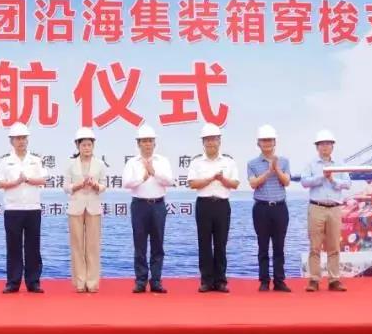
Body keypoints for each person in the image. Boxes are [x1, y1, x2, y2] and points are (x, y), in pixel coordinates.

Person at [187, 123, 240, 293]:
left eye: (214, 139)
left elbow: (235, 184)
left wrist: (222, 179)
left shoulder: (228, 162)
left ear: (219, 141)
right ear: (203, 142)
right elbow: (192, 184)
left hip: (222, 205)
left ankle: (220, 281)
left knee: (221, 244)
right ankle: (206, 281)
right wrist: (211, 178)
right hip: (204, 205)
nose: (211, 143)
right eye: (207, 140)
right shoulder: (197, 162)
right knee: (204, 244)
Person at [0, 123, 47, 294]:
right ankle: (13, 282)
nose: (21, 141)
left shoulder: (36, 160)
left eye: (24, 138)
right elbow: (0, 183)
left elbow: (43, 180)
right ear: (11, 141)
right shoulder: (5, 161)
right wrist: (16, 182)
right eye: (17, 138)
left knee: (33, 247)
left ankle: (33, 282)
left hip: (33, 208)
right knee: (13, 247)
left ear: (27, 140)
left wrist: (28, 180)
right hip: (13, 208)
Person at [122, 123, 174, 294]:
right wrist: (142, 178)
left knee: (158, 244)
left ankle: (156, 281)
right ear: (138, 143)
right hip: (139, 205)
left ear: (154, 143)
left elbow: (170, 181)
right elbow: (126, 183)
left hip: (158, 205)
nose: (147, 144)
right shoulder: (132, 162)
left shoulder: (162, 161)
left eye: (150, 141)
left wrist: (154, 172)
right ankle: (141, 281)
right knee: (140, 245)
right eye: (144, 141)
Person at [300, 129, 352, 292]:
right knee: (314, 246)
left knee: (334, 246)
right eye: (322, 144)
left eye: (328, 144)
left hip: (335, 208)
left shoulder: (340, 164)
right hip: (316, 207)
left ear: (332, 146)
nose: (325, 147)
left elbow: (347, 184)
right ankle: (314, 280)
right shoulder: (310, 164)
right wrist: (321, 177)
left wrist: (332, 179)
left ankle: (334, 279)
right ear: (317, 147)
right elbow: (304, 182)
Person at [247, 124, 292, 292]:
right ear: (258, 143)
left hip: (280, 207)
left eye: (269, 140)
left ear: (275, 142)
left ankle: (279, 280)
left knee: (279, 246)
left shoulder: (284, 161)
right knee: (263, 245)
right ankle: (264, 281)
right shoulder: (252, 163)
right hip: (261, 208)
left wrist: (277, 169)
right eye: (263, 140)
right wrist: (268, 172)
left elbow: (286, 181)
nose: (267, 143)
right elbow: (253, 183)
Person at [63, 127, 107, 293]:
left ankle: (92, 282)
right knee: (77, 246)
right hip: (76, 207)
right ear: (77, 146)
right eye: (83, 145)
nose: (87, 148)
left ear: (93, 145)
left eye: (89, 145)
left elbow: (104, 185)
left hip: (93, 208)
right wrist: (79, 185)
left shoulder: (100, 164)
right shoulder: (70, 164)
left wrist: (96, 185)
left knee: (93, 246)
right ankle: (80, 282)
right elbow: (66, 187)